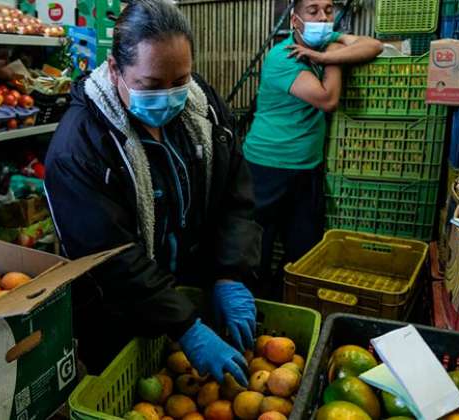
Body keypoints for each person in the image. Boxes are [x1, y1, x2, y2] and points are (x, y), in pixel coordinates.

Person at [44, 0, 262, 385]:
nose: (170, 96)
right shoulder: (80, 148)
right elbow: (110, 257)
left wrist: (231, 272)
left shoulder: (203, 110)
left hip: (194, 296)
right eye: (151, 85)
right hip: (120, 316)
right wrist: (185, 326)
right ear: (115, 70)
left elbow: (233, 196)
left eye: (180, 81)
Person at [243, 0, 382, 298]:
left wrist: (323, 52)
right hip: (268, 165)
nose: (323, 17)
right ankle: (255, 306)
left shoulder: (324, 42)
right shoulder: (284, 56)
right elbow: (326, 98)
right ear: (295, 21)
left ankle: (289, 303)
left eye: (328, 10)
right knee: (258, 248)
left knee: (304, 248)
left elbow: (373, 45)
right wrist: (332, 57)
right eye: (313, 11)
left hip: (307, 167)